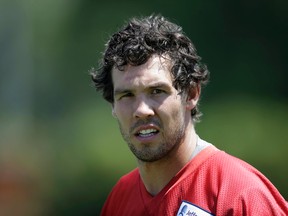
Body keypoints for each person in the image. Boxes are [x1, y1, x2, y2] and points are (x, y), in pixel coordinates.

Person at [91, 14, 288, 215]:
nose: (142, 110)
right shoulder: (120, 198)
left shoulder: (241, 195)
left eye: (157, 91)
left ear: (191, 94)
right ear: (112, 105)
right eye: (127, 95)